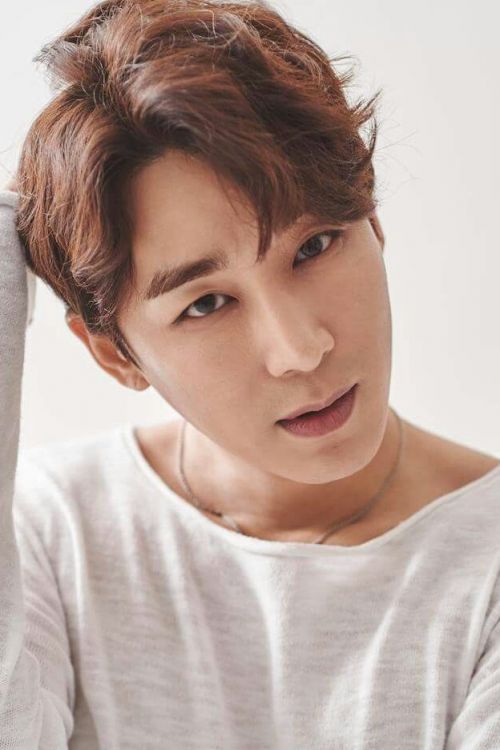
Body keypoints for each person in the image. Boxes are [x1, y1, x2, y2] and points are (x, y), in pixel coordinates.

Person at [1, 0, 500, 747]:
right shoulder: (53, 532)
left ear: (373, 220)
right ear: (115, 355)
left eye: (314, 246)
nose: (299, 349)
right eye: (205, 303)